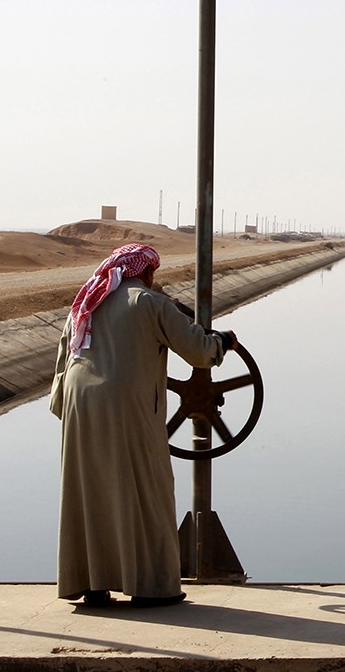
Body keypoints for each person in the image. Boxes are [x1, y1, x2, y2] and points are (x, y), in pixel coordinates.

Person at [50, 243, 232, 609]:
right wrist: (223, 343)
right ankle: (151, 588)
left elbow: (62, 360)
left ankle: (92, 585)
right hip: (126, 405)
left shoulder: (86, 302)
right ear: (147, 272)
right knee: (146, 489)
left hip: (79, 405)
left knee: (89, 489)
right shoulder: (148, 303)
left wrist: (68, 408)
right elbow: (197, 350)